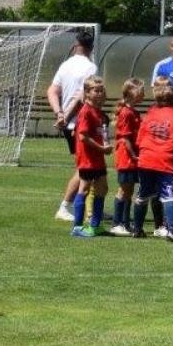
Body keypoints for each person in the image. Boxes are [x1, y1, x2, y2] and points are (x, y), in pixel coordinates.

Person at [48, 28, 99, 222]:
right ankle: (64, 207)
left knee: (88, 167)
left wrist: (59, 114)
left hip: (69, 124)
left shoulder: (65, 65)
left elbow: (52, 91)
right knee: (84, 168)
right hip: (79, 124)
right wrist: (67, 116)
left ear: (75, 45)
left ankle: (90, 208)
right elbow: (81, 95)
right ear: (91, 47)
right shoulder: (90, 68)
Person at [134, 79, 173, 241]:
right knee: (170, 194)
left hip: (146, 159)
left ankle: (137, 229)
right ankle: (172, 230)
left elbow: (139, 140)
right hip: (166, 159)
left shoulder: (150, 114)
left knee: (143, 194)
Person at [69, 77, 109, 238]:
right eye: (96, 91)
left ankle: (95, 225)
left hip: (98, 158)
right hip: (87, 159)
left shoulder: (98, 112)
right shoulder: (86, 111)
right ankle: (77, 226)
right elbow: (82, 136)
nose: (99, 94)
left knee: (102, 189)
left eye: (101, 91)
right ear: (87, 93)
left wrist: (104, 147)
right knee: (84, 189)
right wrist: (101, 148)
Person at [108, 78, 144, 237]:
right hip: (126, 157)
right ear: (131, 93)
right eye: (140, 91)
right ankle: (117, 223)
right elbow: (125, 138)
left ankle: (125, 222)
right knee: (123, 189)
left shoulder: (134, 112)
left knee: (129, 190)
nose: (143, 94)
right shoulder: (126, 112)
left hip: (133, 157)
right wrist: (134, 155)